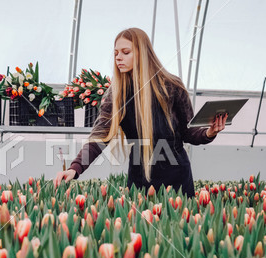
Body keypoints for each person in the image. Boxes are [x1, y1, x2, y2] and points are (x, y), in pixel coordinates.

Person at [53, 27, 227, 197]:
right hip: (140, 179)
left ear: (142, 53)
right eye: (115, 53)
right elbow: (99, 137)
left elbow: (189, 133)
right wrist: (74, 169)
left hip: (177, 179)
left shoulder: (172, 86)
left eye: (125, 52)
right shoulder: (117, 93)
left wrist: (209, 132)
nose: (118, 58)